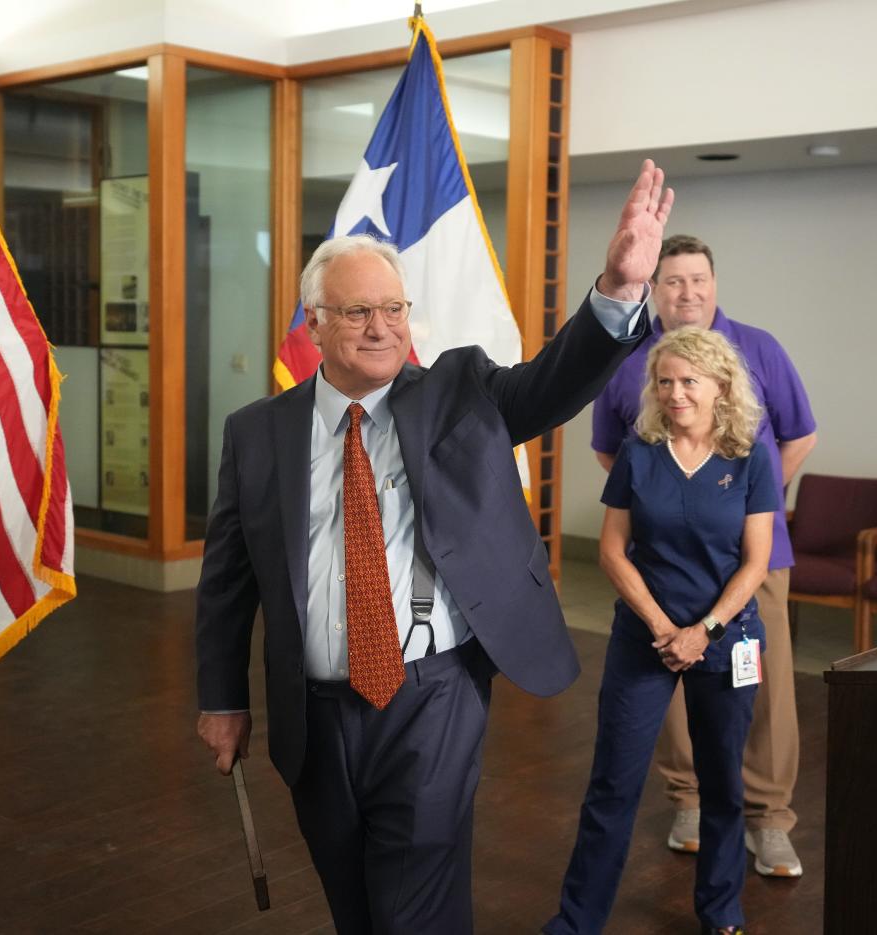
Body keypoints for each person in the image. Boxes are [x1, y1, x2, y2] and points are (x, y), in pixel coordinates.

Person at [195, 161, 674, 934]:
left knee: (416, 901)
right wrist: (222, 697)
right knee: (353, 899)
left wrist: (618, 290)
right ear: (313, 322)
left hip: (431, 696)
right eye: (357, 312)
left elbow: (552, 383)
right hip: (312, 709)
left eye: (394, 308)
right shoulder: (257, 432)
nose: (382, 327)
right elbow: (226, 581)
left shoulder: (460, 391)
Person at [591, 234, 816, 877]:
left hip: (753, 561)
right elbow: (614, 455)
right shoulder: (631, 361)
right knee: (671, 673)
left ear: (714, 284)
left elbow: (799, 437)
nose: (686, 292)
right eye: (672, 282)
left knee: (759, 688)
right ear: (653, 289)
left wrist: (748, 507)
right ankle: (688, 799)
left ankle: (769, 818)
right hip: (661, 564)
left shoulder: (760, 349)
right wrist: (666, 505)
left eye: (698, 280)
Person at [545, 326, 777, 935]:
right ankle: (576, 921)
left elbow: (756, 562)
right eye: (665, 381)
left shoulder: (750, 455)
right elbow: (613, 552)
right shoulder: (639, 451)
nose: (675, 394)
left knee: (723, 782)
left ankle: (721, 910)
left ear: (720, 386)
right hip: (644, 639)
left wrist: (704, 631)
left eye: (688, 381)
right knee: (613, 784)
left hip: (727, 641)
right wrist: (663, 627)